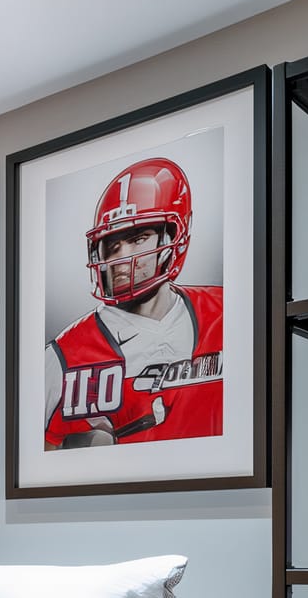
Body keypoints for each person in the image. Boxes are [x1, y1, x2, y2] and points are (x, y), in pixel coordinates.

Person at [44, 157, 223, 449]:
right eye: (113, 246)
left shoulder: (227, 312)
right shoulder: (62, 357)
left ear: (174, 237)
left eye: (139, 238)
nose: (123, 258)